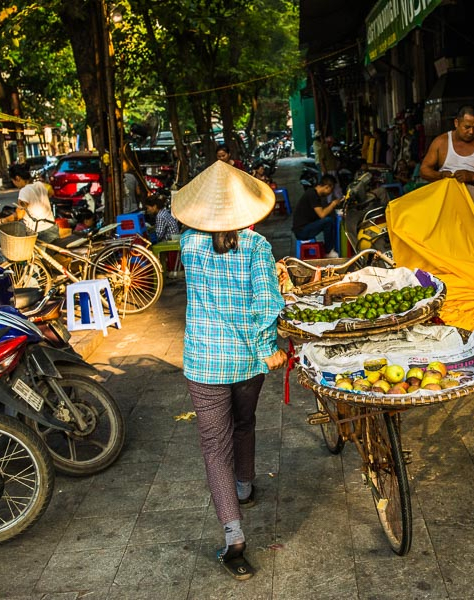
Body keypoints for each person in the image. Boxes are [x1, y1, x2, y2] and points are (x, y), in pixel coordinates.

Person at [171, 160, 287, 581]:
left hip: (202, 363)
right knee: (245, 422)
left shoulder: (188, 243)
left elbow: (170, 213)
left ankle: (234, 536)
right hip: (246, 362)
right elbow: (267, 304)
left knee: (213, 448)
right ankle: (245, 486)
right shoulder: (257, 247)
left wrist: (189, 197)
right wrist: (265, 349)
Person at [420, 105, 474, 219]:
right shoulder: (441, 142)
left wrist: (472, 176)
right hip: (447, 211)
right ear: (456, 123)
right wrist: (440, 175)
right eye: (467, 127)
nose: (471, 132)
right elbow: (424, 170)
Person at [0, 162, 58, 243]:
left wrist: (2, 221)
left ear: (17, 178)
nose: (14, 184)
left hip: (40, 233)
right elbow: (51, 192)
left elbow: (19, 215)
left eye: (13, 181)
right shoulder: (40, 185)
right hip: (52, 227)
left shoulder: (24, 191)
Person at [291, 174, 340, 258]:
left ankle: (330, 248)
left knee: (329, 220)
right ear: (327, 187)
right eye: (330, 190)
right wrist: (333, 204)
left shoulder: (314, 194)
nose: (329, 193)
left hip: (304, 227)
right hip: (301, 231)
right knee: (328, 221)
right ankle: (328, 251)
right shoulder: (312, 195)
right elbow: (322, 214)